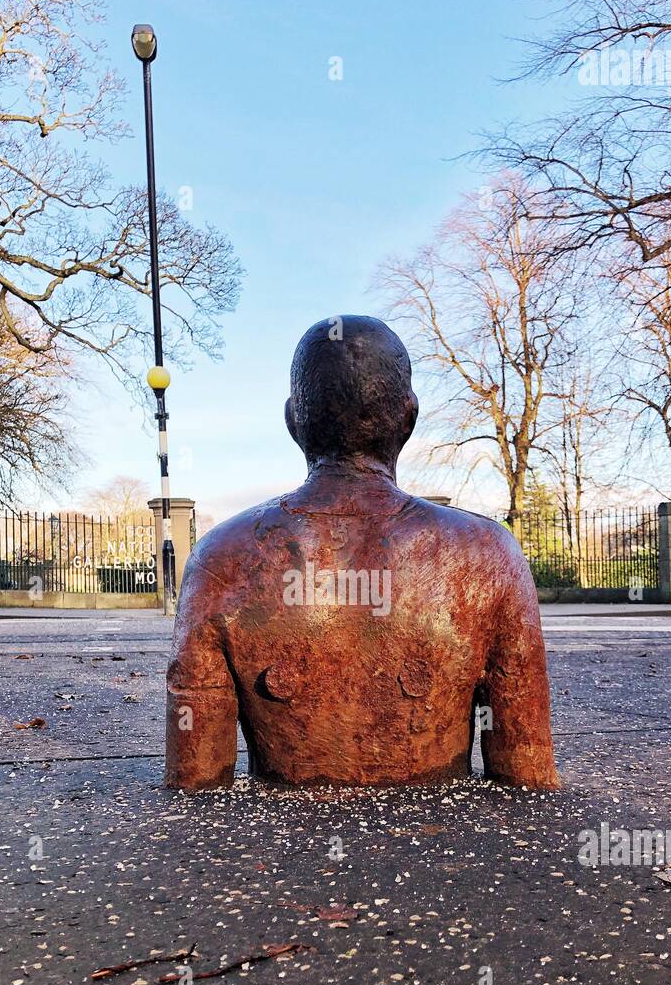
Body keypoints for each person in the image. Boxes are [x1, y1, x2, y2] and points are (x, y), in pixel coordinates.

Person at [165, 315, 558, 791]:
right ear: (409, 419)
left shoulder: (220, 557)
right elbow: (525, 770)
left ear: (293, 421)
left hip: (285, 858)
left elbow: (196, 776)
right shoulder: (489, 555)